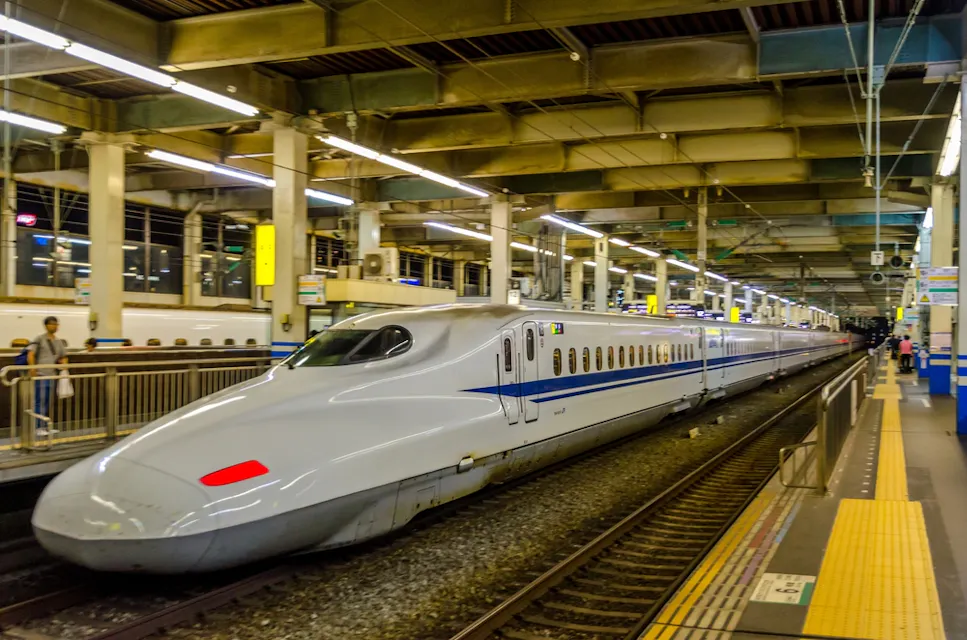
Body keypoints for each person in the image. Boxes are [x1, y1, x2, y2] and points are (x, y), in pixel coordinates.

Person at [27, 316, 68, 437]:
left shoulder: (58, 341)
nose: (54, 326)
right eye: (51, 324)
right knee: (40, 401)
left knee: (48, 401)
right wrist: (32, 369)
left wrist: (63, 364)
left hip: (52, 375)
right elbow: (31, 354)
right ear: (46, 326)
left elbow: (63, 356)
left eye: (56, 324)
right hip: (41, 374)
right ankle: (37, 427)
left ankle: (45, 426)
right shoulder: (39, 339)